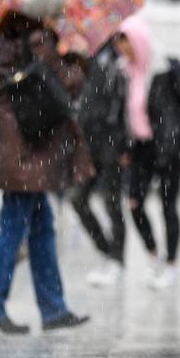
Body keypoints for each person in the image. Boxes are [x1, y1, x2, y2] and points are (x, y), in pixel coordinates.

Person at [0, 0, 93, 335]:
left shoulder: (5, 39)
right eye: (56, 14)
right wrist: (78, 56)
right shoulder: (38, 40)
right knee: (14, 227)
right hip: (25, 153)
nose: (59, 20)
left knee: (40, 227)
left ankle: (53, 308)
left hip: (12, 150)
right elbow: (65, 85)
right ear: (42, 14)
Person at [116, 14, 180, 290]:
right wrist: (123, 147)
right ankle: (153, 255)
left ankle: (171, 265)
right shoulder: (126, 72)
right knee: (134, 201)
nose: (124, 51)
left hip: (171, 148)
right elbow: (124, 114)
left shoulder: (168, 68)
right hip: (141, 148)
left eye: (128, 45)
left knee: (169, 206)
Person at [72, 38, 131, 287]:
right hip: (88, 141)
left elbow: (124, 103)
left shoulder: (118, 59)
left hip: (111, 142)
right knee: (78, 200)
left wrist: (124, 144)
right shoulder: (85, 56)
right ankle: (107, 253)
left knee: (112, 202)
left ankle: (116, 260)